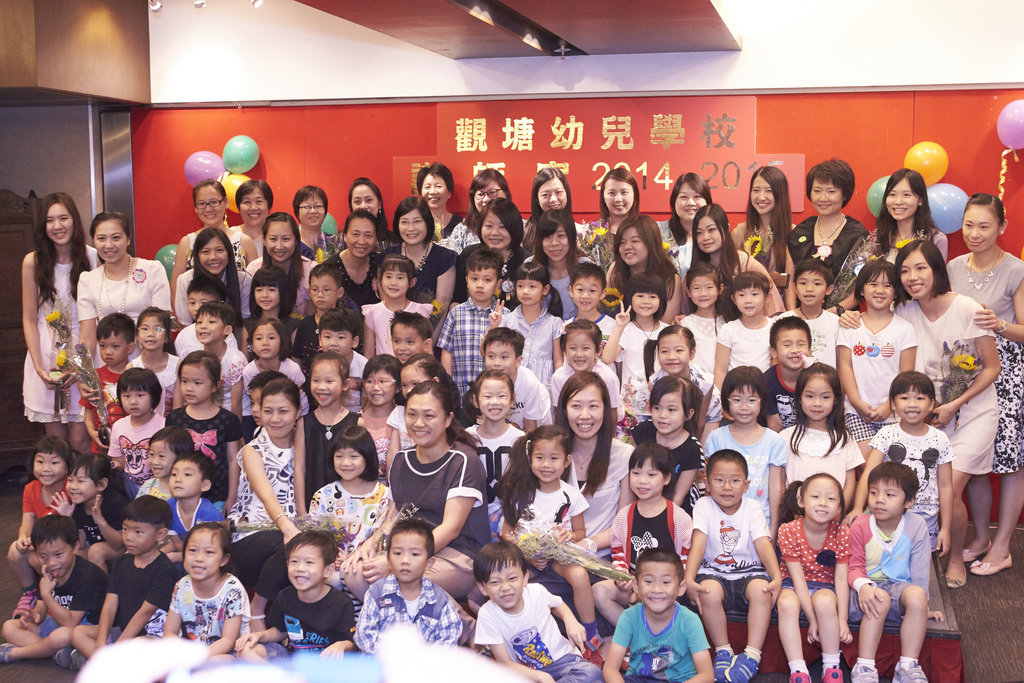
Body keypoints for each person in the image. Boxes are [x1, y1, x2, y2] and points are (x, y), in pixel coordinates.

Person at [946, 192, 1024, 577]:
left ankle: (1003, 546)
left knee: (1009, 461)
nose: (974, 234)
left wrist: (1001, 325)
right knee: (974, 458)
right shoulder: (953, 267)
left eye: (984, 226)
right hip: (962, 370)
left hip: (1005, 372)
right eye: (969, 225)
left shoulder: (1016, 270)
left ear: (1001, 227)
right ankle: (979, 539)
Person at [367, 382, 487, 601]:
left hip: (457, 554)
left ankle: (459, 617)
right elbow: (393, 518)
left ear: (448, 419)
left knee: (403, 583)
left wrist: (396, 561)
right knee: (355, 574)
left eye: (429, 416)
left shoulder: (463, 461)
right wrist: (367, 548)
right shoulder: (401, 459)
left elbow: (450, 529)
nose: (419, 423)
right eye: (412, 414)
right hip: (410, 552)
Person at [496, 426, 600, 660]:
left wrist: (569, 536)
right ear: (530, 459)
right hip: (525, 559)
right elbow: (506, 533)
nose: (546, 465)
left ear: (567, 461)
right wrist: (527, 553)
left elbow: (580, 531)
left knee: (580, 575)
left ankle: (590, 634)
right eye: (539, 458)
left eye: (554, 458)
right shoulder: (521, 494)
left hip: (559, 557)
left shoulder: (571, 495)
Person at [684, 450, 782, 683]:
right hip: (714, 572)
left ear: (746, 485)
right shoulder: (703, 505)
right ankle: (723, 651)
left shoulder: (752, 507)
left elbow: (763, 543)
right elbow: (698, 542)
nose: (727, 487)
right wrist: (689, 579)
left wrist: (776, 576)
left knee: (761, 591)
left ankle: (752, 655)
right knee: (708, 591)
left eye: (735, 481)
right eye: (719, 480)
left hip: (749, 572)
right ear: (708, 484)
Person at [22, 192, 96, 453]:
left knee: (81, 440)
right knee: (56, 444)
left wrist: (80, 368)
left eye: (63, 218)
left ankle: (85, 482)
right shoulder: (32, 261)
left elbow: (92, 320)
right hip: (45, 351)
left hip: (84, 348)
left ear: (74, 219)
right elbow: (29, 318)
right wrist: (39, 367)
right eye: (50, 220)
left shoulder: (92, 257)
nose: (57, 226)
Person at [849, 371, 953, 554]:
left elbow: (945, 486)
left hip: (925, 520)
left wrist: (945, 528)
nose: (912, 404)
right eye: (904, 398)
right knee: (882, 562)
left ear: (931, 404)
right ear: (893, 404)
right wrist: (858, 507)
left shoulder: (940, 439)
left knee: (918, 564)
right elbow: (869, 473)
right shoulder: (887, 434)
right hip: (887, 518)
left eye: (919, 398)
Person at [227, 378, 303, 631]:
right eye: (268, 411)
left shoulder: (303, 446)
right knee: (293, 547)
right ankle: (257, 608)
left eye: (283, 411)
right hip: (250, 533)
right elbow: (267, 495)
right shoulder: (253, 450)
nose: (275, 419)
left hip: (289, 532)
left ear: (297, 412)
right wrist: (289, 529)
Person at [68, 496, 179, 668]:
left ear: (160, 534)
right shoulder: (121, 562)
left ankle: (98, 663)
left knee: (140, 647)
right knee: (78, 633)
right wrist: (101, 642)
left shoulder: (165, 569)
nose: (129, 537)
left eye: (138, 532)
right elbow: (109, 605)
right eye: (125, 529)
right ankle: (108, 664)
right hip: (123, 631)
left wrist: (118, 648)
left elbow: (144, 613)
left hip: (151, 637)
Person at [848, 462, 932, 683]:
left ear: (909, 501)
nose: (879, 499)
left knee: (917, 595)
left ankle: (907, 666)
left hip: (898, 590)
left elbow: (920, 570)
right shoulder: (861, 524)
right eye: (874, 492)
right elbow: (853, 566)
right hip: (862, 592)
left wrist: (923, 606)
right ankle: (864, 667)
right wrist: (864, 587)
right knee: (880, 597)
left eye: (890, 494)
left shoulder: (916, 525)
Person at [473, 540, 602, 683]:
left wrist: (570, 620)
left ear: (525, 578)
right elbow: (505, 663)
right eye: (495, 582)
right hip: (526, 673)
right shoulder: (487, 614)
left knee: (591, 673)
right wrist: (541, 677)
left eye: (512, 578)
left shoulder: (536, 591)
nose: (505, 587)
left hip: (563, 661)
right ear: (483, 587)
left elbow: (558, 604)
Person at [593, 444, 693, 625]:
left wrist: (665, 584)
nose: (642, 481)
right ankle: (636, 634)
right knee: (599, 591)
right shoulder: (624, 516)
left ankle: (652, 632)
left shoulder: (679, 518)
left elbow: (685, 558)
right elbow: (618, 553)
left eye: (651, 475)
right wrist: (622, 577)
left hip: (665, 586)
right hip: (633, 583)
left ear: (666, 478)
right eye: (636, 473)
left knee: (645, 597)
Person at [836, 259, 917, 460]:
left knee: (893, 469)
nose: (880, 290)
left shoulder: (905, 329)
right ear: (861, 290)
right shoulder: (849, 326)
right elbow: (844, 367)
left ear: (896, 292)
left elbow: (906, 374)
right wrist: (856, 402)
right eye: (873, 284)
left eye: (887, 285)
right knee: (869, 466)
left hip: (894, 412)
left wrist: (889, 405)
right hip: (855, 412)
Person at [775, 474, 852, 683]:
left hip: (824, 584)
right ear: (801, 501)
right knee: (786, 603)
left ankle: (832, 667)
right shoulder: (788, 530)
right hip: (793, 582)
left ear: (839, 507)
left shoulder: (842, 533)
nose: (823, 503)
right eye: (815, 497)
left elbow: (841, 578)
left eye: (831, 498)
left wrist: (842, 620)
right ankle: (798, 670)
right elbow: (798, 578)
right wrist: (812, 620)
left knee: (825, 602)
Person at [0, 515, 106, 665]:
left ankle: (16, 653)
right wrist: (34, 615)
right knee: (9, 628)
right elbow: (41, 609)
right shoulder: (49, 574)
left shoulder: (88, 576)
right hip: (59, 626)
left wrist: (46, 595)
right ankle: (57, 653)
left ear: (75, 547)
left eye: (58, 555)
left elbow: (70, 623)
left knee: (62, 635)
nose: (51, 563)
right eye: (43, 557)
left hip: (88, 630)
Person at [236, 530, 355, 659]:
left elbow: (352, 642)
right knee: (246, 649)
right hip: (291, 658)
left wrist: (341, 645)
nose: (300, 568)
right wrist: (259, 635)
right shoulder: (285, 596)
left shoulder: (341, 602)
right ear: (287, 565)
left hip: (324, 662)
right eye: (294, 561)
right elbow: (281, 631)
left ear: (328, 570)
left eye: (309, 562)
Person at [604, 547, 713, 683]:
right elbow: (610, 668)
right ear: (636, 586)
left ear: (681, 588)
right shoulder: (629, 617)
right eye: (648, 581)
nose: (657, 589)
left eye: (666, 582)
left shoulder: (689, 620)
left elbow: (707, 675)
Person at [355, 517, 463, 652]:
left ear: (429, 563)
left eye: (415, 554)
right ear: (388, 560)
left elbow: (448, 639)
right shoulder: (376, 593)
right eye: (398, 553)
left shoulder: (440, 600)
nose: (405, 560)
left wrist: (419, 660)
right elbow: (364, 635)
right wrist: (394, 656)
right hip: (382, 661)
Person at [308, 426, 391, 602]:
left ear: (368, 457)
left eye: (354, 456)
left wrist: (355, 559)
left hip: (367, 569)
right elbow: (314, 539)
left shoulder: (385, 496)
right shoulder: (323, 496)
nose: (345, 463)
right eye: (339, 456)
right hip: (331, 568)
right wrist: (333, 556)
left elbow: (385, 539)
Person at [554, 372, 634, 555]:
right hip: (554, 557)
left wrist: (587, 544)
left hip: (602, 557)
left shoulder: (624, 455)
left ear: (605, 410)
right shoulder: (551, 454)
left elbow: (623, 524)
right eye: (576, 406)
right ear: (564, 410)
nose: (585, 415)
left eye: (593, 406)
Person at [77, 212, 171, 356]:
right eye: (101, 238)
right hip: (108, 359)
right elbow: (87, 336)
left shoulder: (152, 270)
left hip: (147, 357)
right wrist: (83, 366)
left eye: (116, 238)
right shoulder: (88, 280)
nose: (108, 245)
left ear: (128, 239)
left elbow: (161, 325)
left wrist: (149, 362)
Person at [704, 367, 786, 532]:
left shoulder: (774, 440)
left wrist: (774, 526)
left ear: (762, 400)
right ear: (727, 401)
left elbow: (776, 486)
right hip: (722, 524)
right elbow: (710, 483)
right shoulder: (716, 438)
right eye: (737, 399)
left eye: (751, 400)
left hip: (761, 524)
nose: (744, 407)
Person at [785, 159, 869, 310]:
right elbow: (789, 281)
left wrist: (831, 314)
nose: (823, 198)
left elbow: (861, 285)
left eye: (831, 191)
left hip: (841, 317)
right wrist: (793, 314)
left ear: (844, 194)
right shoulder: (800, 232)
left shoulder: (857, 234)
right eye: (817, 191)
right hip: (801, 316)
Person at [166, 351, 244, 511]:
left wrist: (232, 497)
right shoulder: (174, 419)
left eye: (197, 383)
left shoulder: (228, 420)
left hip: (218, 495)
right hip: (182, 495)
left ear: (215, 386)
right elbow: (170, 457)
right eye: (184, 381)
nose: (189, 388)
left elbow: (233, 460)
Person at [780, 363, 864, 505]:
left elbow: (850, 482)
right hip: (794, 514)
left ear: (835, 399)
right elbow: (780, 482)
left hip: (833, 514)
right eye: (810, 396)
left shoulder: (844, 438)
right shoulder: (786, 437)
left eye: (825, 397)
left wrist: (839, 510)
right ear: (799, 398)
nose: (817, 403)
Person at [7, 436, 73, 615]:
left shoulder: (71, 487)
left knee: (42, 559)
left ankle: (59, 593)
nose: (46, 468)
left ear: (67, 466)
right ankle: (30, 593)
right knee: (15, 550)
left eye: (54, 462)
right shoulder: (31, 488)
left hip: (64, 547)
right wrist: (23, 537)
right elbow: (27, 520)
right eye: (40, 461)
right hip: (43, 544)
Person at [163, 522, 249, 654]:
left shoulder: (232, 590)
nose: (198, 558)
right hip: (193, 652)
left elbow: (227, 641)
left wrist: (196, 657)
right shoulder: (182, 586)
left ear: (224, 559)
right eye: (192, 550)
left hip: (231, 653)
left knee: (219, 661)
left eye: (209, 552)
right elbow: (169, 632)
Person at [170, 179, 258, 304]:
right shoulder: (187, 243)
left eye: (214, 202)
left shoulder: (244, 241)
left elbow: (255, 288)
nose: (208, 209)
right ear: (195, 208)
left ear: (226, 202)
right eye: (201, 204)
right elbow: (176, 292)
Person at [690, 203, 784, 317]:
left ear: (727, 228)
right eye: (699, 232)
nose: (705, 237)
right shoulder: (696, 269)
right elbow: (686, 310)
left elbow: (773, 308)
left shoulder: (745, 263)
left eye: (711, 230)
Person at [631, 378, 704, 515]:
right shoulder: (643, 431)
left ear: (688, 414)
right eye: (657, 408)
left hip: (678, 510)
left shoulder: (692, 449)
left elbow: (678, 495)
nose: (662, 415)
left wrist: (657, 519)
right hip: (643, 500)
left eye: (671, 410)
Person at [466, 370, 525, 541]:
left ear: (512, 400)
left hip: (510, 519)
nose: (495, 402)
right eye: (487, 396)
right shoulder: (467, 437)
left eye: (501, 396)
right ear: (476, 400)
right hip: (473, 517)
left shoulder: (520, 439)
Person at [602, 274, 669, 422]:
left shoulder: (667, 331)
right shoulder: (626, 329)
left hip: (663, 405)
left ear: (661, 301)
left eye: (653, 296)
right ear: (630, 298)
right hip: (631, 409)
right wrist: (619, 326)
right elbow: (607, 358)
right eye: (640, 296)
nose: (646, 301)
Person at [439, 247, 501, 396]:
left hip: (495, 394)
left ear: (498, 284)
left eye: (487, 280)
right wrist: (448, 386)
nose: (480, 284)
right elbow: (447, 351)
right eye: (474, 279)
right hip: (461, 392)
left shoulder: (504, 315)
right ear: (467, 280)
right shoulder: (456, 314)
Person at [492, 261, 564, 385]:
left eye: (532, 286)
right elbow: (486, 352)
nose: (525, 291)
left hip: (542, 388)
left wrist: (559, 389)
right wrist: (493, 327)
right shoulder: (506, 320)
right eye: (520, 286)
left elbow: (558, 361)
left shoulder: (554, 323)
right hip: (512, 387)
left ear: (545, 289)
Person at [302, 352, 360, 503]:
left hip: (347, 505)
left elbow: (361, 467)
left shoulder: (357, 423)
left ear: (345, 385)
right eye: (316, 380)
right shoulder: (304, 423)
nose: (321, 387)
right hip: (311, 504)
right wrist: (301, 509)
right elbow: (299, 470)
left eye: (329, 381)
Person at [647, 326, 721, 443]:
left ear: (692, 353)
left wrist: (691, 447)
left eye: (679, 350)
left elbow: (700, 422)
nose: (671, 357)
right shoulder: (655, 382)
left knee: (706, 447)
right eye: (664, 351)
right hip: (672, 416)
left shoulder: (705, 383)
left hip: (707, 417)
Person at [607, 215, 683, 323]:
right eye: (622, 242)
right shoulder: (615, 271)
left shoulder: (670, 278)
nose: (627, 247)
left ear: (651, 243)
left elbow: (666, 325)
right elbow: (608, 314)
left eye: (635, 241)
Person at [386, 197, 457, 313]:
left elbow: (441, 309)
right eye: (404, 222)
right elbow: (386, 304)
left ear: (428, 223)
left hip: (431, 323)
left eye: (417, 221)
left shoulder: (445, 258)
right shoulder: (388, 257)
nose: (410, 228)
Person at [733, 166, 795, 294]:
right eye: (756, 190)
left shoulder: (794, 233)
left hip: (781, 303)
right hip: (747, 302)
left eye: (769, 191)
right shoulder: (739, 232)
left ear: (780, 194)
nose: (761, 197)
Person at [454, 197, 527, 305]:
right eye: (489, 226)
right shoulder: (469, 255)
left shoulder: (526, 261)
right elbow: (456, 299)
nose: (495, 233)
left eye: (502, 227)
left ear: (515, 228)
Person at [174, 227, 252, 325]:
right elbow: (185, 323)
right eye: (205, 251)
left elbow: (245, 323)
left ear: (229, 253)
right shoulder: (185, 280)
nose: (213, 257)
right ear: (197, 256)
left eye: (219, 250)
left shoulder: (244, 280)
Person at [80, 313, 134, 454]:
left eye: (115, 346)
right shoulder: (94, 377)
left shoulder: (136, 375)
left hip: (131, 442)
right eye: (102, 346)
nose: (108, 352)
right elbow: (88, 410)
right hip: (102, 444)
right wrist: (92, 432)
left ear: (130, 348)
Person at [244, 212, 315, 318]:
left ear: (296, 240)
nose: (279, 246)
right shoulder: (254, 270)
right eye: (273, 239)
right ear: (264, 240)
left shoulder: (310, 271)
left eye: (286, 239)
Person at [65, 454, 129, 570]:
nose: (73, 486)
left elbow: (118, 545)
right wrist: (67, 518)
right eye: (70, 480)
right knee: (72, 553)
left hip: (121, 550)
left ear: (101, 484)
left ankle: (102, 582)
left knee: (96, 551)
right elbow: (81, 542)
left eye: (80, 481)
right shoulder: (76, 504)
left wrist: (101, 522)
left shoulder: (116, 503)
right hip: (92, 546)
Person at [482, 327, 551, 432]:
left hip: (537, 429)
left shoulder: (529, 383)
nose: (496, 363)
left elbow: (531, 427)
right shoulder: (485, 383)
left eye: (504, 357)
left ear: (518, 361)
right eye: (491, 356)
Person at [713, 272, 775, 390]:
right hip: (735, 392)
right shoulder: (729, 329)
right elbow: (720, 370)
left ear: (767, 297)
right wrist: (719, 398)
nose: (748, 300)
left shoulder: (774, 328)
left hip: (765, 391)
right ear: (734, 299)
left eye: (754, 294)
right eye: (741, 295)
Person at [550, 320, 621, 422]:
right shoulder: (559, 377)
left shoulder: (608, 377)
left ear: (598, 351)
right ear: (564, 350)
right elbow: (559, 412)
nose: (579, 354)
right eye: (573, 348)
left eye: (586, 348)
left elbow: (612, 413)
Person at [362, 254, 432, 357]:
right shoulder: (372, 313)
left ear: (412, 282)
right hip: (384, 367)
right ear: (380, 279)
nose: (393, 283)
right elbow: (368, 355)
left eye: (400, 278)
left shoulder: (420, 311)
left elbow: (427, 352)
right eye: (388, 277)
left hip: (414, 366)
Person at [243, 319, 308, 429]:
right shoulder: (249, 371)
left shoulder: (292, 369)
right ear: (252, 346)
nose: (265, 342)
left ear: (282, 342)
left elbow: (300, 397)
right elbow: (253, 399)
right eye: (259, 338)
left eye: (271, 338)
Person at [108, 367, 166, 488]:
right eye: (127, 396)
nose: (133, 401)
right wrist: (111, 466)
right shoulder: (118, 426)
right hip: (126, 489)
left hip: (156, 489)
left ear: (153, 397)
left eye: (140, 395)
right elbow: (118, 461)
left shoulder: (164, 426)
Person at [874, 168, 947, 262]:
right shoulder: (881, 238)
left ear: (920, 200)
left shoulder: (935, 239)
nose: (898, 201)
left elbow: (937, 271)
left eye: (906, 195)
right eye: (892, 194)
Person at [779, 259, 840, 367]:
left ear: (829, 289)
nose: (809, 289)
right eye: (803, 283)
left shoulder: (837, 323)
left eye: (817, 283)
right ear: (794, 287)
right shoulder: (782, 321)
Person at [165, 453, 224, 563]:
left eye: (187, 474)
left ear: (205, 485)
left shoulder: (209, 514)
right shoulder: (169, 507)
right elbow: (177, 544)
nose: (178, 479)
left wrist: (174, 557)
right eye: (174, 474)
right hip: (186, 555)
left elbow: (207, 552)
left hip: (208, 561)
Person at [658, 172, 712, 284]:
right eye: (683, 197)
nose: (690, 203)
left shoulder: (716, 234)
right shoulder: (658, 231)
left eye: (697, 197)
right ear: (674, 201)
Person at [580, 168, 639, 269]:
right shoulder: (591, 232)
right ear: (603, 196)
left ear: (634, 195)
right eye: (611, 193)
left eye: (624, 192)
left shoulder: (644, 230)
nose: (618, 199)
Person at [196, 301, 247, 419]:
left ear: (227, 330)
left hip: (237, 415)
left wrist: (235, 429)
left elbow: (237, 403)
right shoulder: (197, 357)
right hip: (210, 412)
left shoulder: (236, 361)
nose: (203, 326)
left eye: (211, 322)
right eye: (199, 322)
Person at [441, 168, 510, 254]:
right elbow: (450, 260)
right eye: (480, 194)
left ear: (505, 193)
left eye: (492, 193)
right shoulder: (462, 230)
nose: (486, 199)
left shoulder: (520, 226)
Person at [291, 262, 345, 373]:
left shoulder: (348, 323)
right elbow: (296, 359)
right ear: (309, 292)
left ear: (340, 292)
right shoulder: (304, 325)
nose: (320, 295)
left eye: (326, 290)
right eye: (315, 290)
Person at [530, 209, 582, 320]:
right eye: (547, 237)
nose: (554, 243)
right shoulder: (530, 266)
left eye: (561, 236)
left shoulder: (585, 267)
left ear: (571, 238)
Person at [764, 317, 811, 432]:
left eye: (801, 344)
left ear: (809, 351)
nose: (795, 350)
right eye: (787, 345)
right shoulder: (766, 381)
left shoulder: (817, 379)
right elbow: (774, 426)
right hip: (778, 437)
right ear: (774, 352)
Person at [130, 307, 179, 417]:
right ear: (137, 335)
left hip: (171, 424)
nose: (150, 334)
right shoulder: (132, 367)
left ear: (167, 337)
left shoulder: (177, 365)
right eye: (145, 329)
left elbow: (178, 407)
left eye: (158, 329)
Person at [316, 308, 366, 413]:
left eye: (341, 337)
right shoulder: (318, 366)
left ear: (354, 341)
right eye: (327, 336)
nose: (333, 343)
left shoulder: (364, 366)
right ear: (320, 339)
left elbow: (367, 402)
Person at [679, 263, 725, 377]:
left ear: (720, 289)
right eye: (696, 288)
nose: (703, 293)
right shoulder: (685, 325)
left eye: (709, 287)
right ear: (689, 292)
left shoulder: (727, 323)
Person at [331, 209, 382, 309]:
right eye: (355, 234)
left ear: (376, 239)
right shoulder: (330, 268)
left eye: (368, 235)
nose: (362, 241)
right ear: (345, 236)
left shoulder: (381, 265)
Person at [359, 354, 402, 473]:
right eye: (370, 381)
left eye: (383, 381)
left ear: (398, 387)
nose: (376, 387)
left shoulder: (405, 417)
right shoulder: (355, 420)